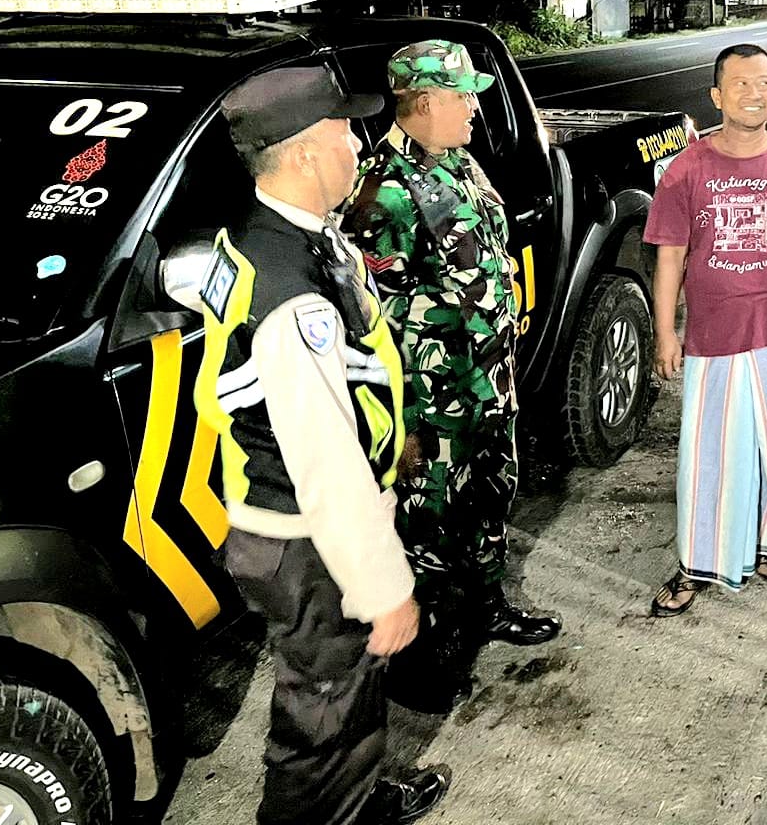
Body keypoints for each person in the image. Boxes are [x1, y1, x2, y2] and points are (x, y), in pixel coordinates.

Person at [191, 65, 451, 824]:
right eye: (345, 131)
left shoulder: (269, 234)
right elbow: (324, 461)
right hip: (307, 537)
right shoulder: (290, 287)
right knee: (321, 716)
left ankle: (362, 794)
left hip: (287, 521)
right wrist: (383, 587)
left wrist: (389, 439)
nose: (359, 145)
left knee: (342, 688)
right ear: (304, 151)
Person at [341, 40, 561, 650]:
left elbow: (484, 254)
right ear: (425, 99)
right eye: (462, 96)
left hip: (489, 380)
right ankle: (431, 634)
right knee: (430, 516)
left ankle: (488, 605)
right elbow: (371, 318)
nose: (473, 108)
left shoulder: (459, 161)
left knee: (492, 492)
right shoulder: (381, 191)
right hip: (432, 397)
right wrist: (401, 421)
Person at [643, 44, 767, 616]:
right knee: (712, 454)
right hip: (714, 334)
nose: (756, 94)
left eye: (765, 83)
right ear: (717, 97)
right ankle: (698, 561)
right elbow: (670, 259)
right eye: (742, 84)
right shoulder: (687, 169)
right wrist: (665, 333)